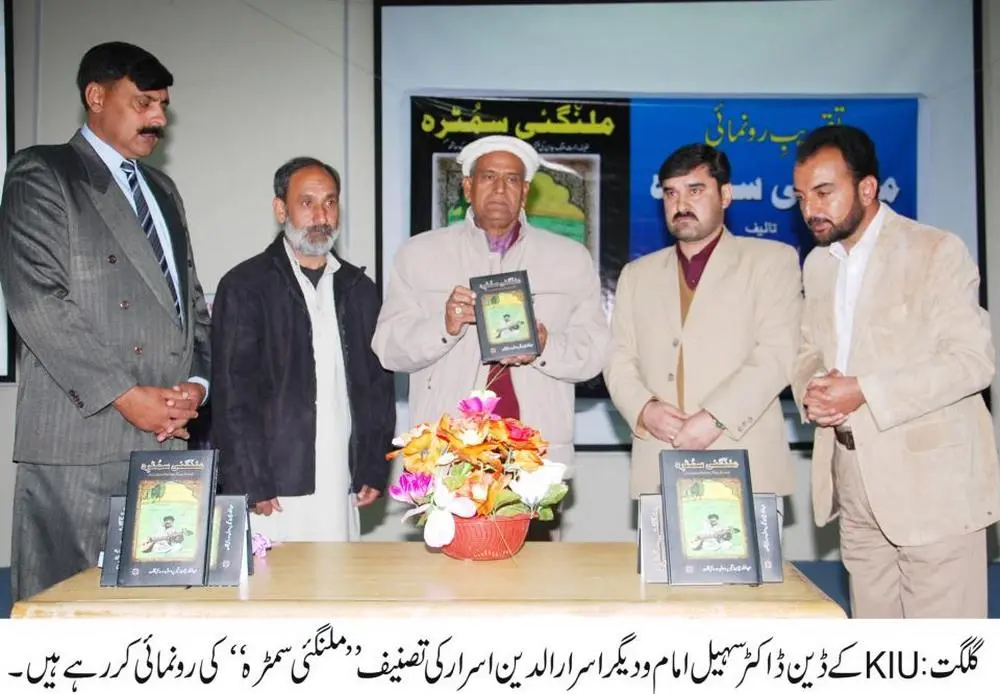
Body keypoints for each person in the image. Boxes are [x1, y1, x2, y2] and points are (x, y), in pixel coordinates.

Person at [0, 42, 211, 603]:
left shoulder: (163, 190)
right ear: (96, 97)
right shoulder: (44, 173)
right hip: (82, 443)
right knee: (68, 619)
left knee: (156, 621)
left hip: (166, 442)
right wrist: (125, 395)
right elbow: (38, 302)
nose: (158, 118)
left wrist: (196, 385)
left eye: (162, 105)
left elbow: (190, 305)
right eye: (143, 103)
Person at [791, 124, 1000, 618]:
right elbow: (806, 351)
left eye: (824, 192)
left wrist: (863, 390)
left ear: (867, 188)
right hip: (851, 478)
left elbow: (972, 361)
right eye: (801, 197)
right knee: (876, 649)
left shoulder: (934, 250)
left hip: (933, 487)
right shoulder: (819, 265)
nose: (810, 209)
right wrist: (815, 392)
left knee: (941, 653)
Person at [372, 135, 609, 539]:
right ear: (467, 186)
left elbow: (595, 354)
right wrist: (443, 326)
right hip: (448, 459)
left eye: (512, 179)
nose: (500, 189)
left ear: (525, 192)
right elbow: (387, 349)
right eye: (488, 177)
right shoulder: (419, 254)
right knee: (448, 576)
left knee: (535, 573)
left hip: (535, 461)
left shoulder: (569, 259)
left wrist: (545, 346)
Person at [604, 143, 801, 526]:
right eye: (670, 193)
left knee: (746, 569)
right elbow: (618, 357)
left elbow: (778, 353)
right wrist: (645, 410)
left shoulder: (771, 261)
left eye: (695, 190)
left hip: (743, 459)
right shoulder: (636, 275)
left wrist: (714, 418)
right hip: (660, 459)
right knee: (661, 569)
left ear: (725, 195)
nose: (681, 204)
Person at [211, 157, 395, 542]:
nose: (321, 216)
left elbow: (377, 389)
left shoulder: (359, 290)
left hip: (342, 482)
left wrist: (373, 466)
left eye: (330, 202)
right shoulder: (246, 285)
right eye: (307, 203)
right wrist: (249, 478)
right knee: (273, 579)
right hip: (273, 487)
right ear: (281, 209)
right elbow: (233, 393)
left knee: (338, 579)